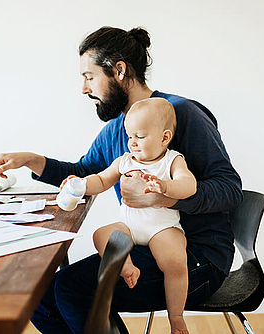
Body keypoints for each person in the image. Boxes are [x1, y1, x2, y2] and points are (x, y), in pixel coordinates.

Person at [0, 26, 243, 334]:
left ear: (118, 70)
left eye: (89, 76)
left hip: (195, 258)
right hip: (140, 243)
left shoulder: (181, 114)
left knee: (71, 287)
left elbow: (230, 189)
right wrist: (31, 160)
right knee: (43, 296)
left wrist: (166, 197)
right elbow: (84, 174)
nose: (84, 88)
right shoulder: (116, 131)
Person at [61, 97, 195, 334]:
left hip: (161, 228)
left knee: (175, 261)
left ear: (164, 137)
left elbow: (188, 185)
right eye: (129, 136)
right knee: (101, 235)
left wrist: (165, 186)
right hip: (130, 226)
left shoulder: (171, 160)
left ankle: (176, 317)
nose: (132, 143)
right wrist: (81, 184)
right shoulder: (124, 161)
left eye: (140, 137)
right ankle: (126, 266)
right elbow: (101, 180)